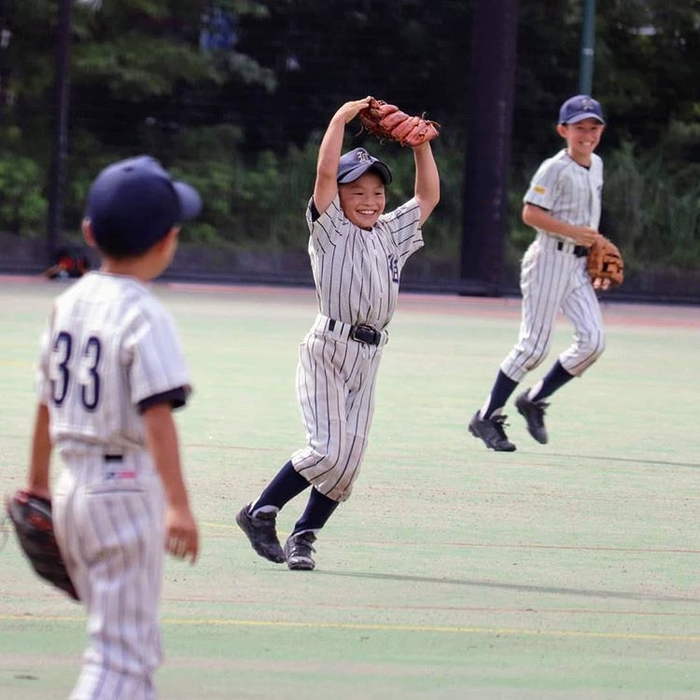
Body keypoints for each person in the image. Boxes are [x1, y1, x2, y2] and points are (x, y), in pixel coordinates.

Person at [23, 155, 201, 698]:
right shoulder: (144, 314)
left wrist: (34, 484)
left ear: (89, 232)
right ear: (168, 240)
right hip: (123, 493)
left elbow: (45, 404)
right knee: (121, 658)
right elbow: (156, 412)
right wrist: (177, 503)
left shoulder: (69, 302)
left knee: (129, 655)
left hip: (71, 490)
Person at [236, 96, 440, 570]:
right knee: (326, 452)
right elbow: (326, 175)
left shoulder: (389, 232)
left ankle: (303, 537)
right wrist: (341, 118)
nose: (369, 201)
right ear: (340, 199)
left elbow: (427, 198)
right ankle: (260, 512)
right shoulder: (328, 230)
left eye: (376, 193)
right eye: (357, 193)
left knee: (347, 465)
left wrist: (421, 146)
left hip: (370, 357)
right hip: (328, 349)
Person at [469, 94, 608, 452]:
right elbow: (530, 213)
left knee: (593, 342)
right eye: (579, 128)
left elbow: (584, 221)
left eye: (593, 127)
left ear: (601, 131)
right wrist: (573, 232)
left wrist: (588, 243)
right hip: (548, 259)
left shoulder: (597, 165)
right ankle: (486, 415)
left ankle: (533, 399)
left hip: (576, 264)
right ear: (563, 130)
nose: (587, 134)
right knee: (534, 347)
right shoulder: (554, 168)